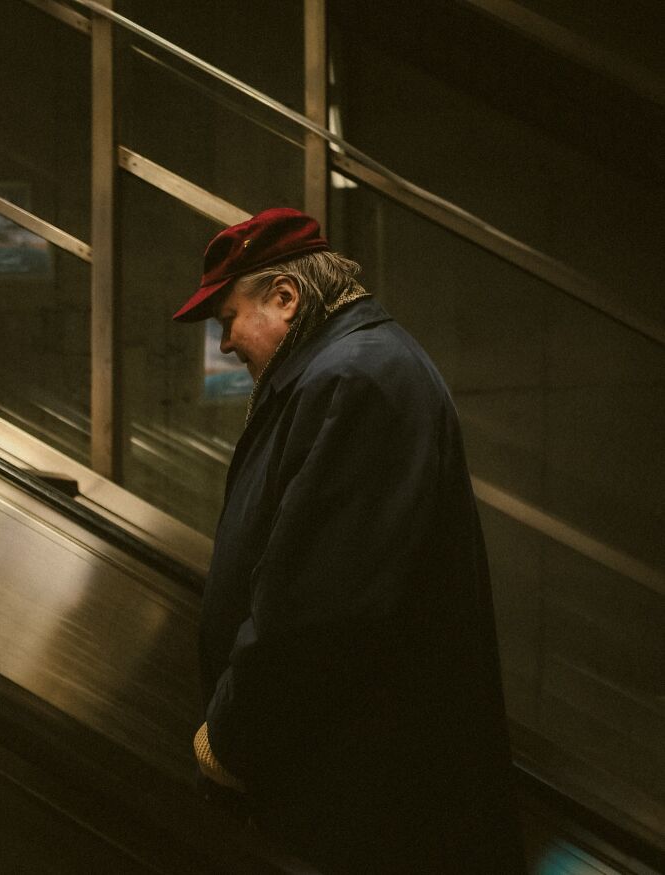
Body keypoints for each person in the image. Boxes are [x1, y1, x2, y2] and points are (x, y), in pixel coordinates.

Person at [173, 208, 526, 874]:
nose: (223, 344)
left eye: (227, 318)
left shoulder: (352, 380)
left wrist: (230, 742)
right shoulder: (340, 370)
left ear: (285, 296)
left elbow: (312, 606)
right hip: (354, 781)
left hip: (366, 801)